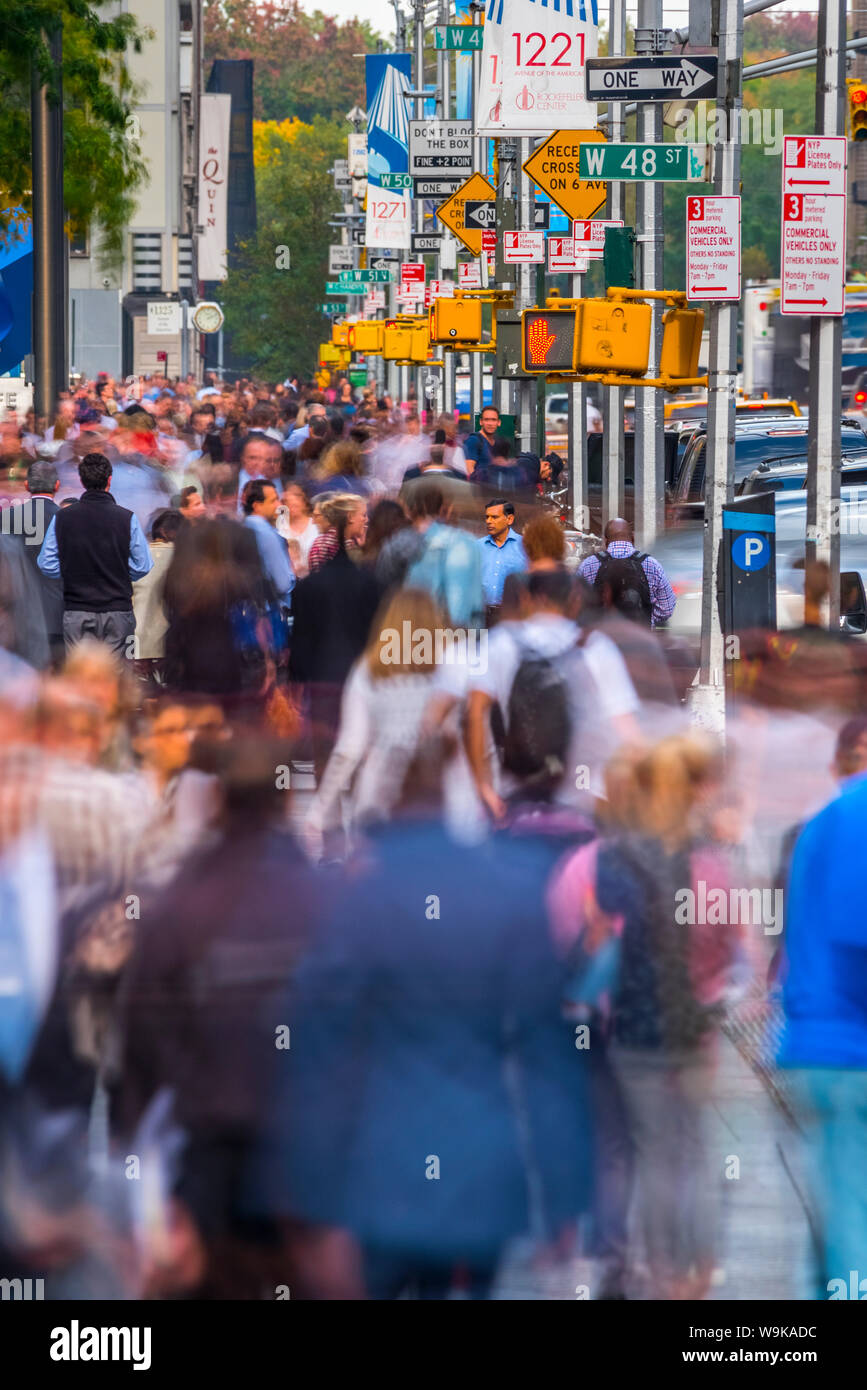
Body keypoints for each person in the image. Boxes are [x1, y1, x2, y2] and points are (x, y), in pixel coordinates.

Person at [252, 736, 592, 1300]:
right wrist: (564, 1192)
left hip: (377, 1168)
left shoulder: (356, 896)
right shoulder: (511, 891)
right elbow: (549, 1055)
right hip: (481, 1165)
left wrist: (304, 1194)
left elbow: (313, 1048)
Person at [548, 733, 746, 1301]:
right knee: (692, 1153)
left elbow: (569, 944)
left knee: (623, 1150)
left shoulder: (595, 864)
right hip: (693, 1034)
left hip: (620, 1030)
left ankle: (625, 1263)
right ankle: (692, 1272)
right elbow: (737, 959)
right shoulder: (709, 866)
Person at [779, 765, 867, 1299]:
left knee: (838, 1226)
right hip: (849, 1050)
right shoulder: (857, 816)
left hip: (827, 1048)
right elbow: (857, 933)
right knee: (852, 1235)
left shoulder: (838, 812)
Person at [465, 568, 640, 821]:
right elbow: (625, 731)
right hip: (582, 799)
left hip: (517, 798)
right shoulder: (595, 646)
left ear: (528, 598)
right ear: (574, 600)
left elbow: (474, 714)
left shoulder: (500, 643)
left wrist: (483, 787)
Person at [37, 451, 153, 656]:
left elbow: (46, 563)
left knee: (81, 674)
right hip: (118, 608)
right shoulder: (127, 518)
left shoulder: (63, 517)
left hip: (77, 608)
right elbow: (143, 565)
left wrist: (71, 573)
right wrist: (119, 573)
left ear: (82, 481)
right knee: (116, 676)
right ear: (110, 479)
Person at [9, 460, 64, 666]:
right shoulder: (66, 518)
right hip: (58, 611)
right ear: (57, 485)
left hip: (18, 613)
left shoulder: (7, 518)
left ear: (26, 485)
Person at [578, 518, 676, 629]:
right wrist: (648, 618)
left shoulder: (588, 565)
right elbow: (666, 609)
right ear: (633, 538)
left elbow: (577, 605)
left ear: (605, 541)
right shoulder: (651, 564)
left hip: (601, 638)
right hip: (640, 639)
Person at [242, 479, 295, 610]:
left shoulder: (241, 528)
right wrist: (293, 575)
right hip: (273, 611)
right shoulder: (266, 533)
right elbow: (283, 584)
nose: (279, 505)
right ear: (257, 506)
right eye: (273, 501)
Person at [478, 499, 528, 614]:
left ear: (509, 519)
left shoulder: (525, 546)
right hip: (481, 615)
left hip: (514, 614)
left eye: (494, 517)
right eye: (487, 517)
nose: (489, 521)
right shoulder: (477, 547)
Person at [277, 482, 318, 576]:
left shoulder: (316, 526)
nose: (292, 501)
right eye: (287, 501)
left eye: (297, 497)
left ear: (305, 501)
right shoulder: (280, 530)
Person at [463, 405, 502, 477]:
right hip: (480, 487)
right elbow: (469, 470)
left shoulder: (498, 442)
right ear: (481, 422)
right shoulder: (473, 440)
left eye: (493, 420)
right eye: (486, 419)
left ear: (498, 422)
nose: (490, 423)